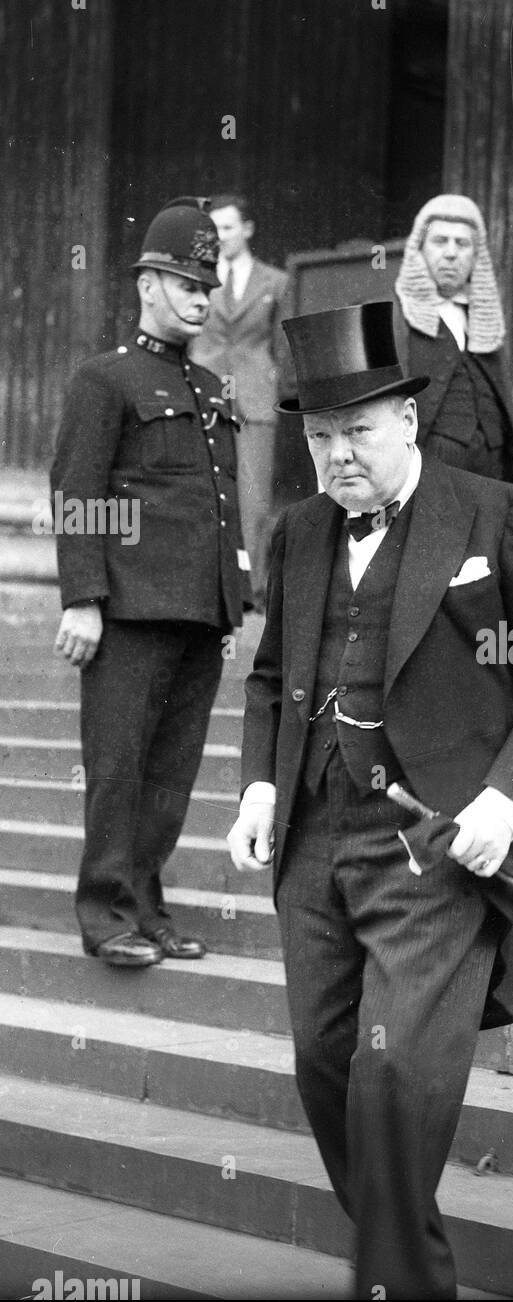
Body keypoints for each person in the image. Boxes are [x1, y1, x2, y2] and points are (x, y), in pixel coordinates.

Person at [225, 301, 513, 1298]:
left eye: (356, 431)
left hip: (435, 842)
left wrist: (504, 802)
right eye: (318, 436)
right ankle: (406, 1265)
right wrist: (260, 778)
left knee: (394, 1078)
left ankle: (393, 1283)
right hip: (315, 839)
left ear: (404, 419)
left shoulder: (496, 516)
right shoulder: (299, 533)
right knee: (324, 1063)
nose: (337, 454)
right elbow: (271, 676)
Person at [51, 197, 250, 968]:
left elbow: (223, 503)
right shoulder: (105, 380)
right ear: (147, 284)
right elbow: (79, 493)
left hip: (200, 611)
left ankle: (146, 906)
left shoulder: (213, 387)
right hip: (129, 609)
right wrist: (83, 599)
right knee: (118, 766)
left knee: (171, 771)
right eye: (185, 283)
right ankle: (104, 914)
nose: (201, 298)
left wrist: (233, 599)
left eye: (207, 286)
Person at [188, 194, 289, 608]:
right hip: (203, 389)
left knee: (254, 496)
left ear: (246, 229)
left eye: (227, 227)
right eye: (213, 230)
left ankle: (253, 587)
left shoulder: (276, 281)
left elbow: (282, 346)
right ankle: (207, 583)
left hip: (255, 397)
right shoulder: (194, 276)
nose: (220, 237)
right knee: (202, 488)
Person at [394, 194, 513, 483]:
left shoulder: (486, 319)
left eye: (462, 244)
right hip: (432, 465)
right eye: (440, 241)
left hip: (491, 466)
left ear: (477, 256)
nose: (451, 253)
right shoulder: (396, 316)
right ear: (420, 249)